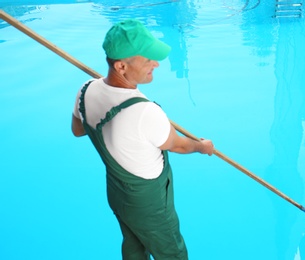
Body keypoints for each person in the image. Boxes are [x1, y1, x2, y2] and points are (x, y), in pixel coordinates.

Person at [71, 19, 214, 260]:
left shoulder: (86, 90)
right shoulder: (145, 112)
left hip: (118, 195)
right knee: (172, 253)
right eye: (147, 59)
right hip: (150, 206)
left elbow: (79, 129)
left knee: (134, 246)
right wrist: (202, 146)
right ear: (121, 67)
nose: (156, 64)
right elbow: (178, 144)